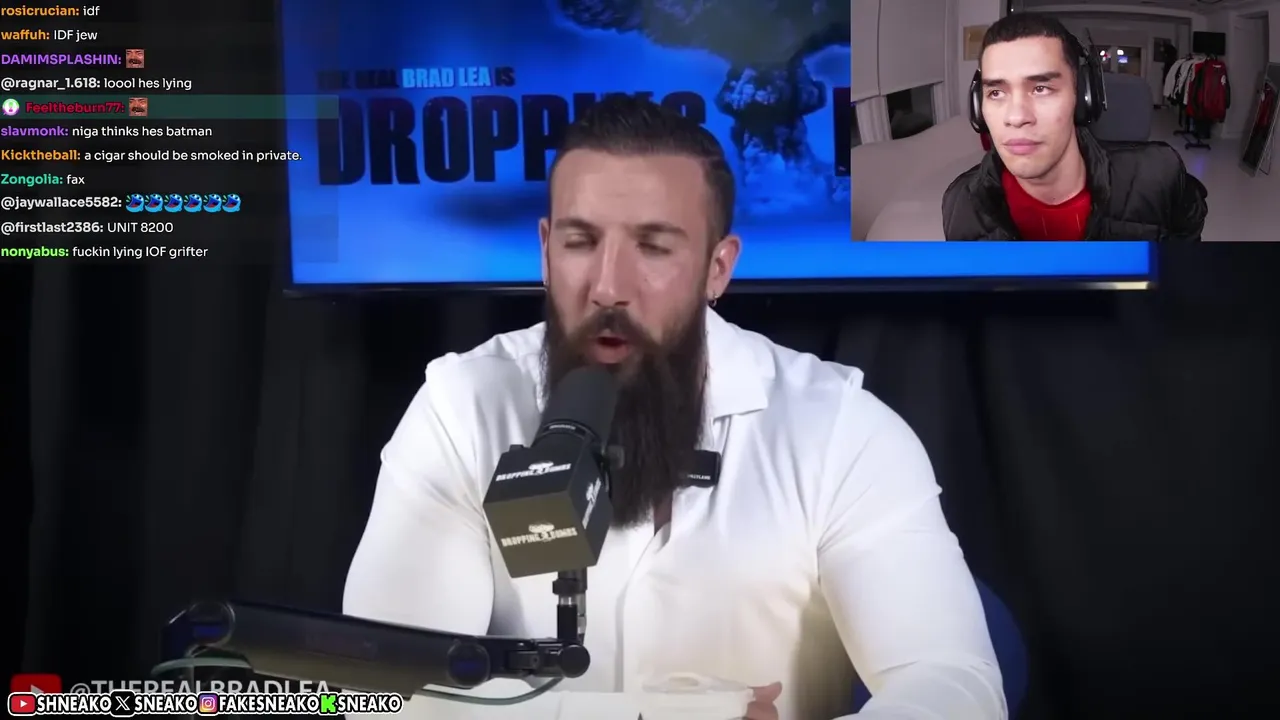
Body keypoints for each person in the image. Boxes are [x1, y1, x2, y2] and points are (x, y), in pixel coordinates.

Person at [344, 96, 1005, 720]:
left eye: (654, 246)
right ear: (545, 251)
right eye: (580, 242)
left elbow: (954, 684)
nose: (608, 287)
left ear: (718, 267)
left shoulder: (840, 428)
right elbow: (380, 689)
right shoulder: (461, 406)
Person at [943, 13, 1208, 241]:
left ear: (1083, 98)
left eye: (1041, 88)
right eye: (996, 93)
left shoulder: (1158, 177)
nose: (1016, 117)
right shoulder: (961, 204)